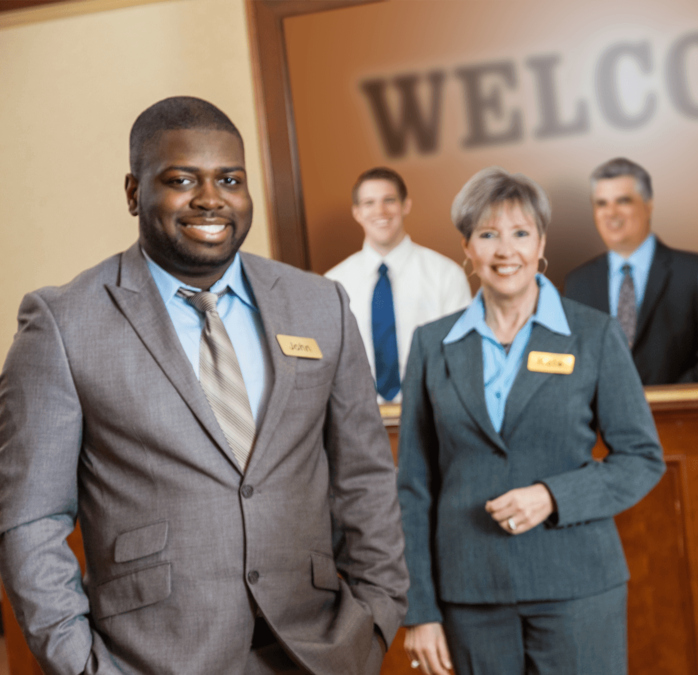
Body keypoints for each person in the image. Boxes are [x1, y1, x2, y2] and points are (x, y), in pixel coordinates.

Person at [0, 97, 408, 674]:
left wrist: (376, 614)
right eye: (181, 179)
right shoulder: (63, 324)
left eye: (229, 179)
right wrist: (80, 663)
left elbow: (364, 476)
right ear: (133, 192)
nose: (210, 199)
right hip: (153, 657)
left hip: (318, 649)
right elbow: (29, 519)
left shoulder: (321, 305)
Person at [398, 166, 665, 675]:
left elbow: (641, 460)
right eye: (488, 234)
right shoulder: (431, 345)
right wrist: (421, 610)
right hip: (470, 595)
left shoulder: (594, 335)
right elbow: (413, 487)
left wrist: (552, 496)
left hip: (578, 586)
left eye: (521, 233)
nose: (506, 250)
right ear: (467, 248)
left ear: (540, 243)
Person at [563, 157, 698, 385]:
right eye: (601, 203)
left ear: (648, 204)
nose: (611, 213)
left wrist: (667, 404)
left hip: (678, 416)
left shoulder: (695, 272)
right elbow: (573, 363)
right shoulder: (577, 284)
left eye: (623, 201)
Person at [325, 167, 471, 402]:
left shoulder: (446, 275)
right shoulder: (332, 284)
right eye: (369, 203)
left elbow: (463, 356)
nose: (380, 211)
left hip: (433, 416)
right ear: (357, 213)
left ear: (406, 206)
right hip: (358, 421)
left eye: (389, 200)